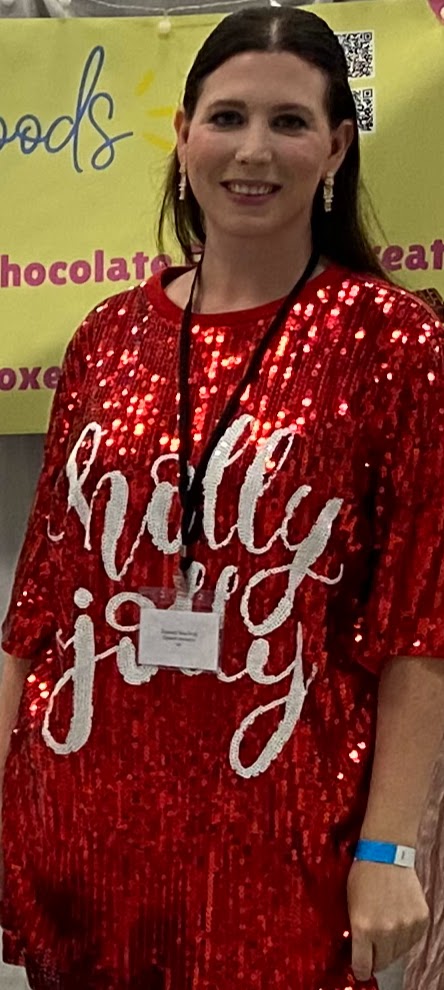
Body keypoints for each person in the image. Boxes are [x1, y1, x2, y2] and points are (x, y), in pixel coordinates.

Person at [1, 5, 444, 989]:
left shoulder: (393, 342)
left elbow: (421, 620)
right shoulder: (106, 336)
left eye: (289, 122)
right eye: (227, 116)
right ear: (183, 132)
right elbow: (40, 601)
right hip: (85, 822)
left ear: (336, 147)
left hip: (286, 840)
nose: (254, 150)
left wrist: (387, 850)